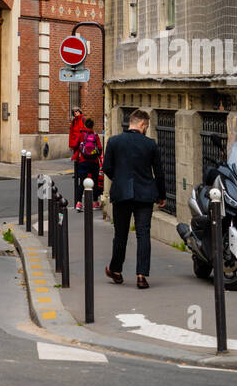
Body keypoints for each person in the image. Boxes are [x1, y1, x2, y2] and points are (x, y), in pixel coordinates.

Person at [101, 108, 165, 288]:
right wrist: (161, 195)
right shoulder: (150, 144)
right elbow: (159, 173)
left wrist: (119, 179)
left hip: (122, 194)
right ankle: (141, 276)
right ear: (142, 124)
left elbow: (107, 167)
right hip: (145, 195)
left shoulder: (114, 141)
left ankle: (116, 270)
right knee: (143, 234)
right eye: (146, 126)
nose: (146, 129)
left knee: (120, 234)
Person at [74, 117, 103, 212]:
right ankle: (95, 203)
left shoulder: (81, 134)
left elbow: (75, 145)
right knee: (95, 182)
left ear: (85, 125)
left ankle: (79, 203)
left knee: (82, 182)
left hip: (83, 161)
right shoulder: (95, 135)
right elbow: (100, 148)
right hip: (94, 162)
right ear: (93, 125)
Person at [68, 106, 87, 202]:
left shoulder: (83, 119)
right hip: (75, 143)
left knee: (81, 158)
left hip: (82, 142)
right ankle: (77, 173)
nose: (76, 113)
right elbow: (71, 132)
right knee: (76, 159)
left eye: (77, 111)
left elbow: (85, 130)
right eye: (74, 112)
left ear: (80, 111)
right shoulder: (73, 121)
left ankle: (80, 173)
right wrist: (71, 144)